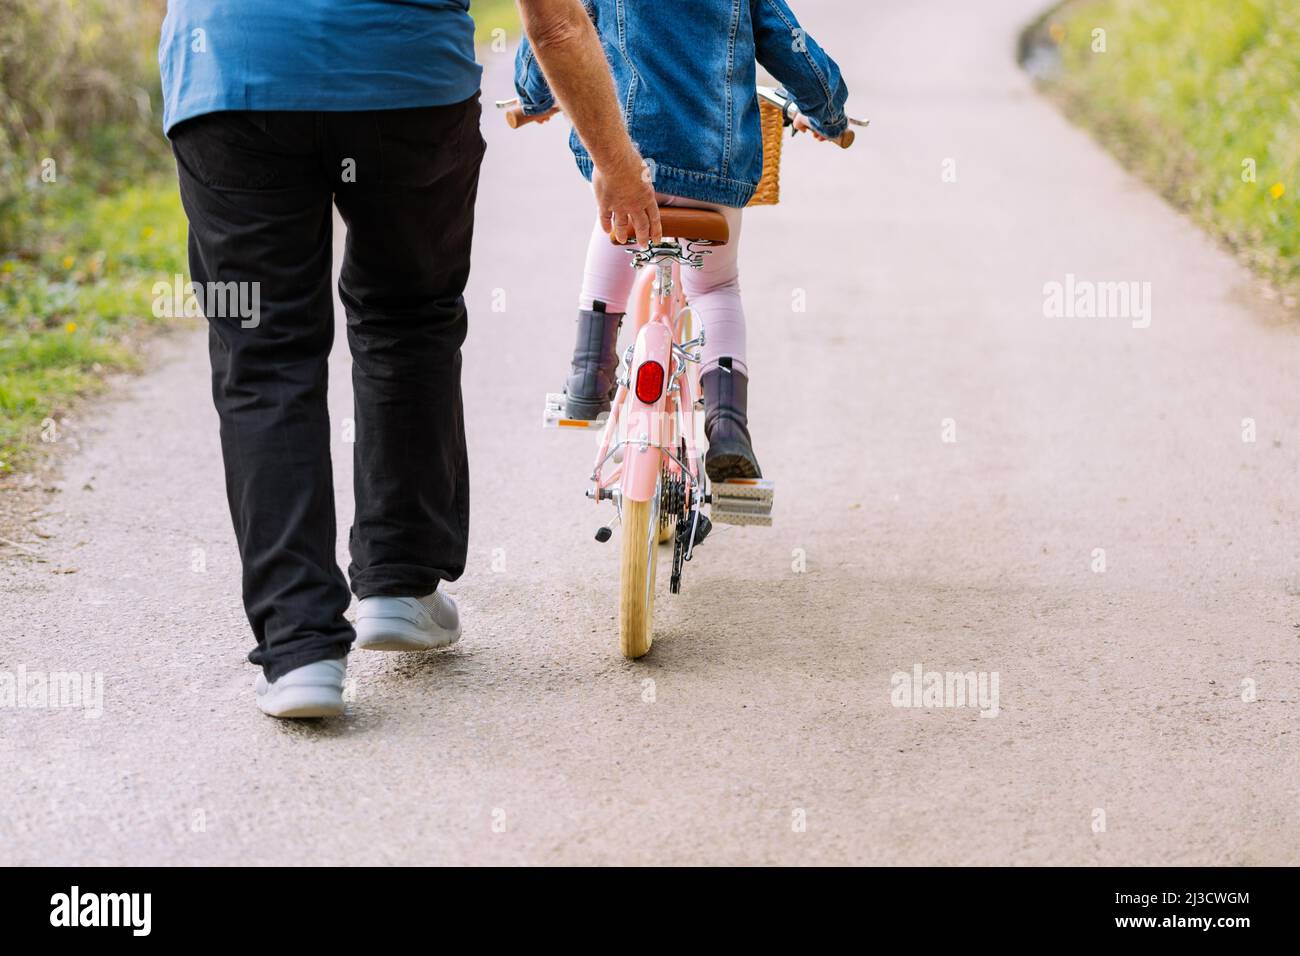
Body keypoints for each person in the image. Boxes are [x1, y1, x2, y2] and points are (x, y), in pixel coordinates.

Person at [159, 0, 661, 719]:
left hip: (232, 75)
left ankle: (299, 649)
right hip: (406, 83)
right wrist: (617, 165)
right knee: (408, 316)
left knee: (263, 353)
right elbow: (556, 22)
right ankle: (399, 583)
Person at [514, 0, 848, 482]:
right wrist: (829, 115)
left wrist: (533, 96)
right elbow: (794, 50)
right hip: (713, 167)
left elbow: (553, 28)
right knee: (715, 288)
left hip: (630, 156)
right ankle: (729, 428)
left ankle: (589, 372)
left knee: (615, 221)